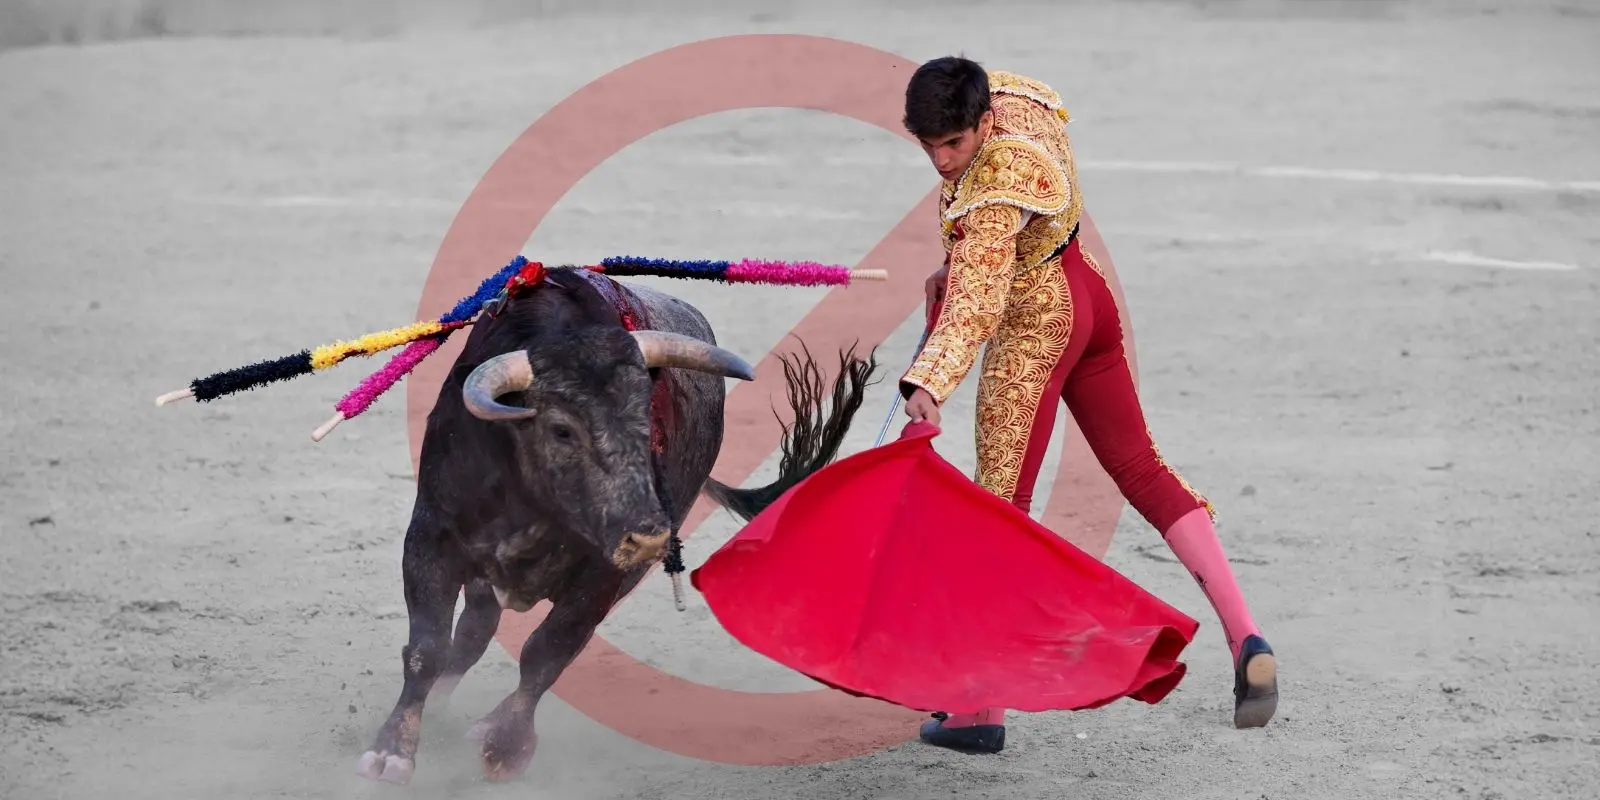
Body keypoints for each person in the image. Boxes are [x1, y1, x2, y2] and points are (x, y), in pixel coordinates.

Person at [897, 56, 1278, 753]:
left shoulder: (988, 195)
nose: (943, 161)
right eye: (929, 147)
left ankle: (981, 709)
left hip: (1036, 325)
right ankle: (1246, 634)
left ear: (983, 123)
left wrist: (929, 380)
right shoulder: (1013, 99)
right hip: (1090, 296)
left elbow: (982, 297)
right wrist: (951, 268)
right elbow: (990, 257)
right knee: (1142, 467)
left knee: (1000, 509)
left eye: (953, 144)